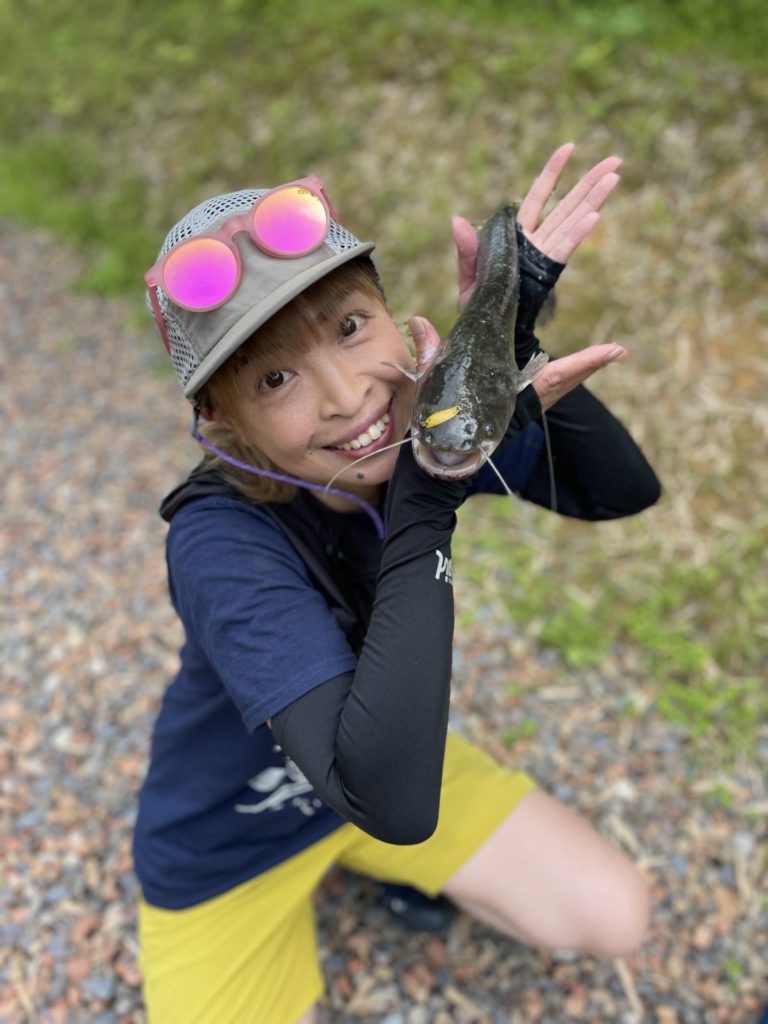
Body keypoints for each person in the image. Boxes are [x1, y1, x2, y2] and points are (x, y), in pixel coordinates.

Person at [134, 144, 661, 1024]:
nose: (348, 398)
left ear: (390, 313)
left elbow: (619, 492)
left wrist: (506, 341)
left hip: (391, 743)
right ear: (225, 421)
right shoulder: (217, 540)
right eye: (275, 377)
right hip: (236, 833)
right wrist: (428, 497)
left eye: (350, 327)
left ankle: (376, 865)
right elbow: (394, 803)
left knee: (617, 913)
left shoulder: (429, 424)